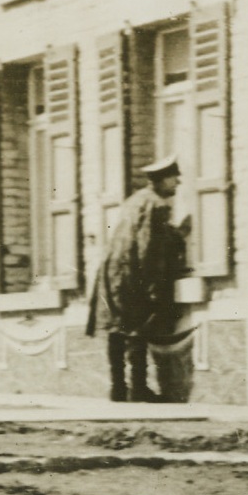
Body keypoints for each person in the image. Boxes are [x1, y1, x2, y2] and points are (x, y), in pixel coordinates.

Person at [86, 156, 190, 403]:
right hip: (133, 272)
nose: (177, 184)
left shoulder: (133, 201)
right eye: (175, 179)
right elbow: (148, 245)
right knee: (137, 328)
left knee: (116, 329)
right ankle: (139, 388)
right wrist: (153, 285)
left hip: (112, 270)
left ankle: (118, 388)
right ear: (163, 180)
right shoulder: (157, 204)